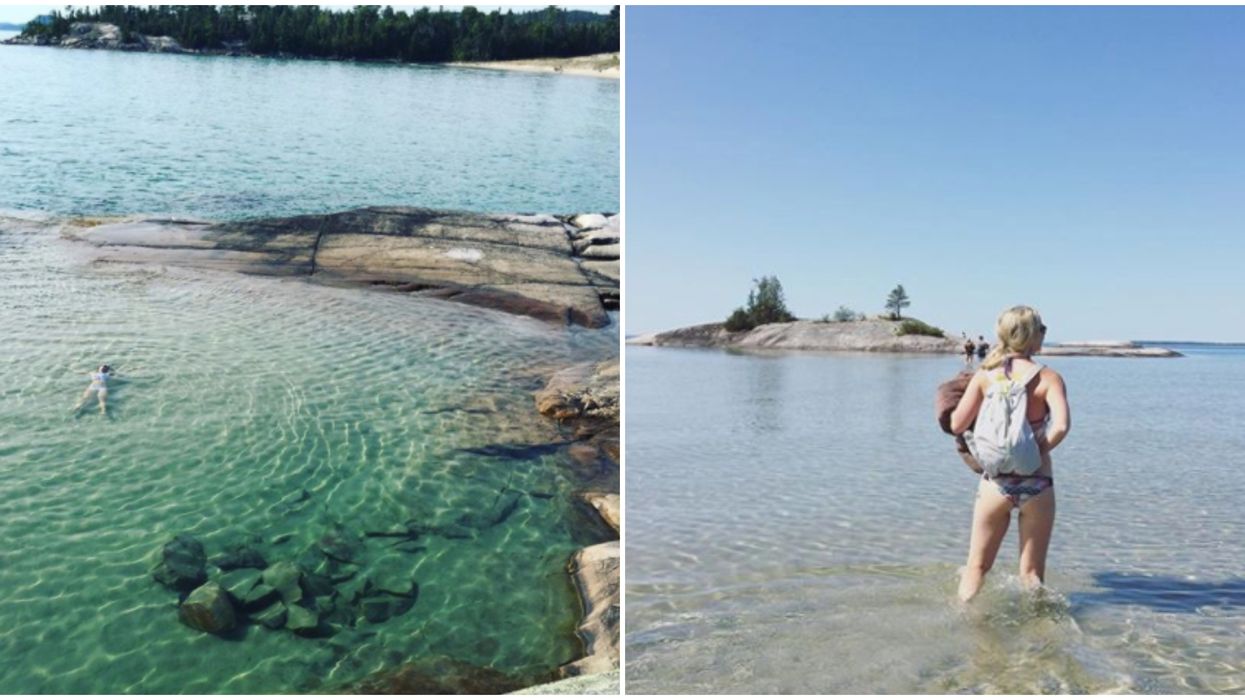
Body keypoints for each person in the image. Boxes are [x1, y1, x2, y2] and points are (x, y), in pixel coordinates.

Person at [949, 306, 1070, 602]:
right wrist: (1034, 451)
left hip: (996, 483)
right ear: (1031, 334)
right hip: (1038, 482)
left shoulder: (985, 376)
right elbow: (1062, 426)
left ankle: (964, 619)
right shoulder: (1049, 378)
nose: (1044, 334)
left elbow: (957, 424)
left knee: (976, 566)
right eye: (1041, 329)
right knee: (1030, 574)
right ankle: (1035, 641)